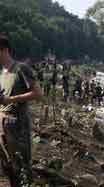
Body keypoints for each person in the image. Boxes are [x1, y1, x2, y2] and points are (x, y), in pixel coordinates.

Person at [0, 35, 42, 186]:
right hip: (3, 125)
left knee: (22, 165)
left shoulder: (21, 68)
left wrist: (9, 100)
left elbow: (38, 93)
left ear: (4, 50)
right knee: (8, 166)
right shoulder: (2, 73)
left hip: (18, 126)